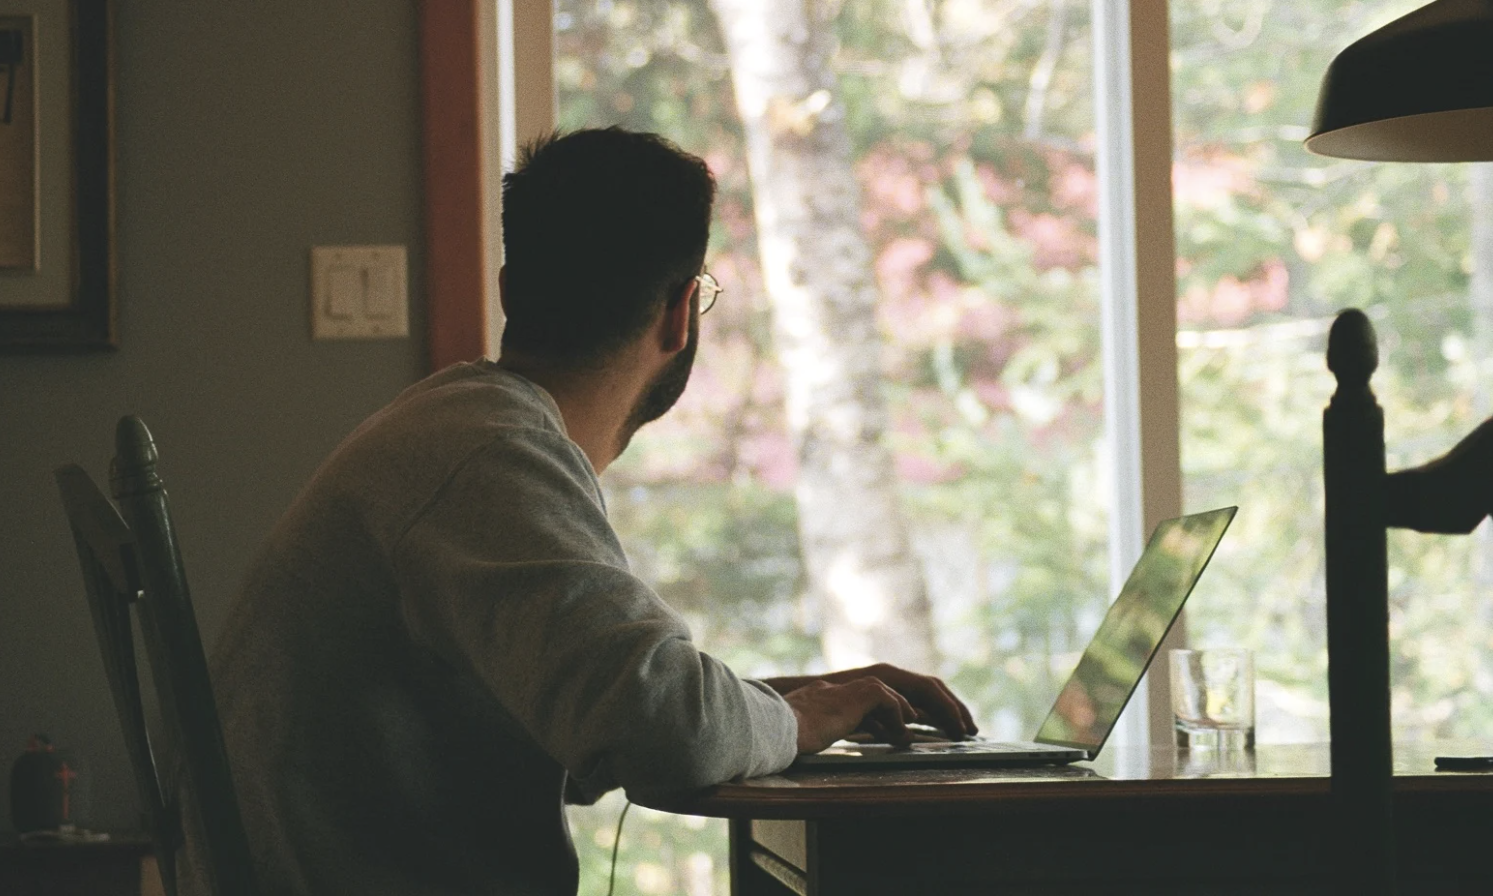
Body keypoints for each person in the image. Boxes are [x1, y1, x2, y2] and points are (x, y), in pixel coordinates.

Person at [182, 126, 975, 896]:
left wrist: (787, 705)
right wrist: (797, 723)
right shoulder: (488, 455)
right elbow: (667, 731)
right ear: (682, 313)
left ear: (507, 291)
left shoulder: (456, 430)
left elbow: (614, 703)